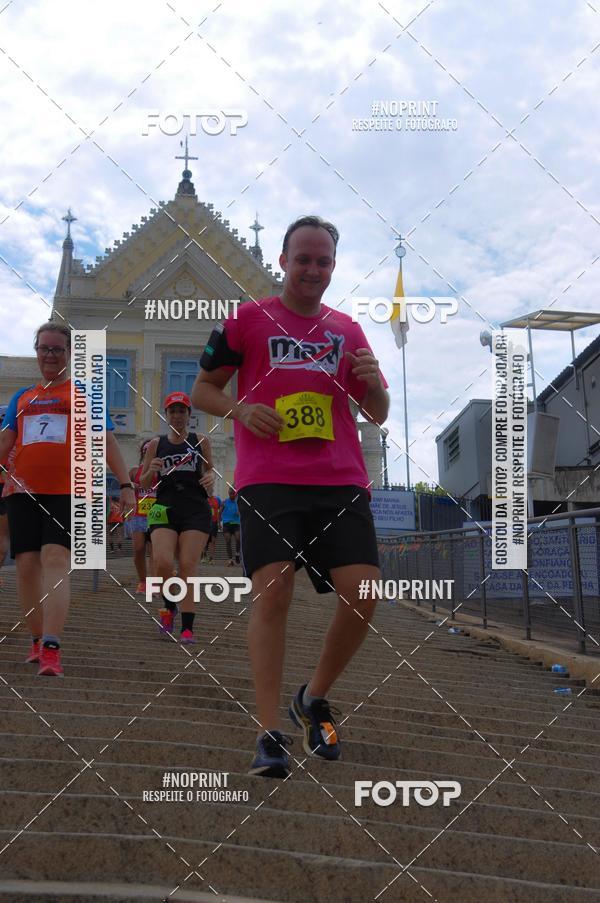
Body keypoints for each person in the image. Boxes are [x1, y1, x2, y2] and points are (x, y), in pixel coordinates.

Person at [192, 215, 389, 778]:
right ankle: (269, 732)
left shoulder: (348, 330)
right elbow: (205, 388)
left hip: (339, 478)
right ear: (282, 261)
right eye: (302, 259)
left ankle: (314, 697)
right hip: (268, 478)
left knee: (364, 592)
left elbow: (376, 413)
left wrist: (373, 382)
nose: (313, 269)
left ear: (333, 267)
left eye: (323, 261)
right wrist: (240, 409)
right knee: (273, 593)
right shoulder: (246, 320)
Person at [0, 322, 135, 677]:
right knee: (27, 567)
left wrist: (125, 483)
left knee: (56, 557)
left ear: (68, 354)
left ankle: (52, 645)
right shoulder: (22, 397)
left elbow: (106, 441)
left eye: (57, 349)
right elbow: (6, 443)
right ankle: (35, 639)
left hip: (69, 489)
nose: (49, 354)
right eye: (44, 348)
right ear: (36, 352)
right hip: (22, 490)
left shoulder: (84, 395)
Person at [140, 392, 214, 644]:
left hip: (195, 508)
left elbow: (209, 472)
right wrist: (151, 470)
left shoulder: (200, 440)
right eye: (173, 411)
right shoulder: (155, 444)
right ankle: (170, 607)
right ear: (166, 415)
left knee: (187, 565)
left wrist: (210, 479)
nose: (177, 415)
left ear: (189, 415)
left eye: (182, 411)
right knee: (161, 562)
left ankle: (187, 627)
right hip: (165, 506)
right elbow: (144, 482)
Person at [125, 440, 156, 593]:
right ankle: (143, 581)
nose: (148, 453)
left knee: (154, 551)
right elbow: (124, 486)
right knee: (138, 549)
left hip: (157, 514)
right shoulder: (134, 471)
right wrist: (132, 486)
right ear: (143, 453)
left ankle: (154, 583)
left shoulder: (162, 471)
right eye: (146, 450)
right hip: (138, 514)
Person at [220, 487, 240, 565]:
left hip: (236, 523)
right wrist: (219, 523)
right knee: (228, 541)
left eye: (234, 494)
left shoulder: (238, 502)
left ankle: (237, 554)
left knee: (238, 538)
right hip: (227, 523)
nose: (232, 495)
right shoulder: (224, 502)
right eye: (231, 494)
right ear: (228, 494)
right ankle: (230, 559)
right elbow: (220, 512)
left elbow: (240, 512)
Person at [204, 494, 221, 563]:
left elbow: (221, 509)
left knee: (213, 541)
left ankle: (212, 558)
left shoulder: (217, 499)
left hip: (214, 522)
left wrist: (219, 521)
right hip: (206, 522)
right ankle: (204, 556)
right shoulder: (204, 499)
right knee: (205, 541)